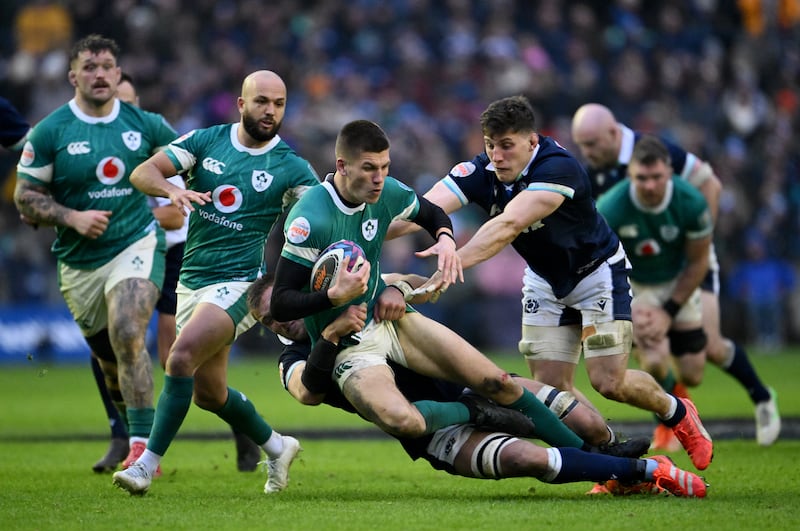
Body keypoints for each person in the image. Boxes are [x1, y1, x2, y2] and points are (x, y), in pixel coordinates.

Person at [270, 119, 637, 459]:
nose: (380, 178)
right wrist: (333, 297)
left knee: (497, 381)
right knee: (412, 421)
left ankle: (596, 458)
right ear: (343, 165)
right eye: (370, 168)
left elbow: (432, 213)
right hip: (354, 344)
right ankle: (483, 416)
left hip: (392, 321)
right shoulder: (310, 218)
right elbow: (283, 305)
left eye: (385, 167)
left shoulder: (388, 192)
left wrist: (445, 240)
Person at [387, 96, 714, 471]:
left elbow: (508, 225)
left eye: (507, 146)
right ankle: (607, 459)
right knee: (554, 394)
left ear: (532, 141)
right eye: (490, 145)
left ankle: (676, 411)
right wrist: (367, 230)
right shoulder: (481, 170)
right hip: (545, 281)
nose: (496, 156)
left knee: (609, 382)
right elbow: (419, 212)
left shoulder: (558, 168)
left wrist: (453, 263)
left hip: (596, 273)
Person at [248, 273, 705, 498]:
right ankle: (647, 473)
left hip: (465, 384)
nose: (285, 321)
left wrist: (399, 291)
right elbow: (305, 392)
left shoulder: (352, 300)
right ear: (267, 327)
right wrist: (327, 338)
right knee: (527, 457)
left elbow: (410, 282)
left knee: (581, 414)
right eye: (274, 319)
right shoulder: (295, 360)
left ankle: (611, 456)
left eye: (286, 306)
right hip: (433, 431)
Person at [112, 69, 320, 496]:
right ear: (241, 104)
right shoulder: (204, 142)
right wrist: (172, 191)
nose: (270, 111)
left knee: (180, 357)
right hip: (193, 282)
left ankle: (144, 465)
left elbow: (329, 213)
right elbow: (142, 173)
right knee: (209, 393)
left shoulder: (291, 167)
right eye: (261, 101)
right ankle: (278, 447)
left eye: (279, 104)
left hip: (241, 284)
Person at [571, 102, 780, 447]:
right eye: (582, 145)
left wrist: (696, 240)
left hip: (686, 261)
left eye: (591, 144)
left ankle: (761, 397)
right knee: (648, 348)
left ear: (612, 133)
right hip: (638, 271)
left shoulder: (656, 151)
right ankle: (673, 417)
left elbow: (710, 184)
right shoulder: (598, 173)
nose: (586, 152)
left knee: (707, 351)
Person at [14, 34, 176, 471]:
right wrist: (71, 217)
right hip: (80, 261)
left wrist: (177, 196)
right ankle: (129, 431)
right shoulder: (50, 131)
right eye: (90, 67)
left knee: (128, 331)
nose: (100, 74)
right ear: (73, 76)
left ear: (119, 74)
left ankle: (143, 451)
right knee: (110, 364)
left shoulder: (146, 125)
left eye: (107, 66)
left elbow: (187, 163)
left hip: (136, 243)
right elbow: (25, 196)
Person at [98, 74, 262, 474]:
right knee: (108, 346)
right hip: (121, 257)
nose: (121, 113)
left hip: (176, 258)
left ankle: (148, 447)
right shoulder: (98, 155)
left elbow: (174, 214)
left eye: (128, 104)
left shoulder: (164, 147)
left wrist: (128, 222)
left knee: (175, 355)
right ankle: (124, 435)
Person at [596, 135, 717, 452]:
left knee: (693, 373)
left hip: (677, 280)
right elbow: (599, 263)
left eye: (657, 177)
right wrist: (628, 306)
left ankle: (679, 397)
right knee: (652, 358)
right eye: (641, 178)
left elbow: (698, 261)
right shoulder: (611, 206)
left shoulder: (691, 202)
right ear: (629, 175)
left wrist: (668, 311)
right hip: (633, 282)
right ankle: (671, 416)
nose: (649, 185)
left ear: (670, 174)